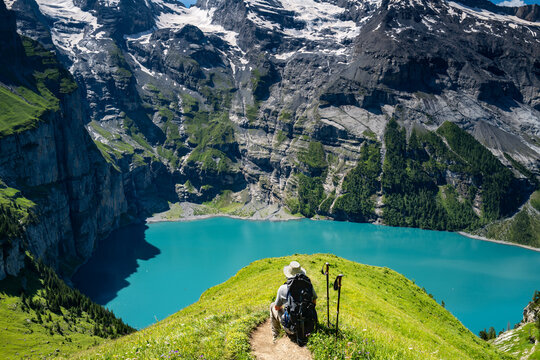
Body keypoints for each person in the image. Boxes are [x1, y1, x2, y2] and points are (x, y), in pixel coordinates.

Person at [270, 260, 317, 342]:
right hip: (308, 327)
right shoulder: (308, 286)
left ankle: (276, 336)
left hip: (291, 329)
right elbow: (314, 303)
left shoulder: (283, 288)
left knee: (272, 306)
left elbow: (277, 308)